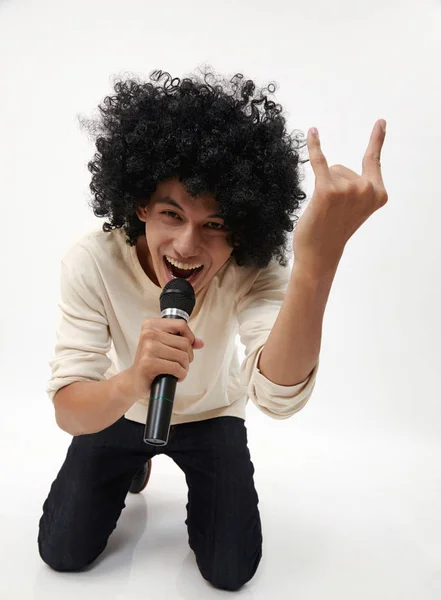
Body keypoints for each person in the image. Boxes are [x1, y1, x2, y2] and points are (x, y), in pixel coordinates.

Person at [37, 67, 320, 591]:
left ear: (242, 226)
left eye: (214, 224)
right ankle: (133, 464)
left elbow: (279, 397)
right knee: (61, 552)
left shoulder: (252, 268)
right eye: (171, 214)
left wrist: (317, 264)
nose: (188, 247)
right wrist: (132, 380)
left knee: (230, 571)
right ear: (140, 204)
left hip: (212, 416)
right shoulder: (91, 261)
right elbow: (68, 410)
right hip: (117, 409)